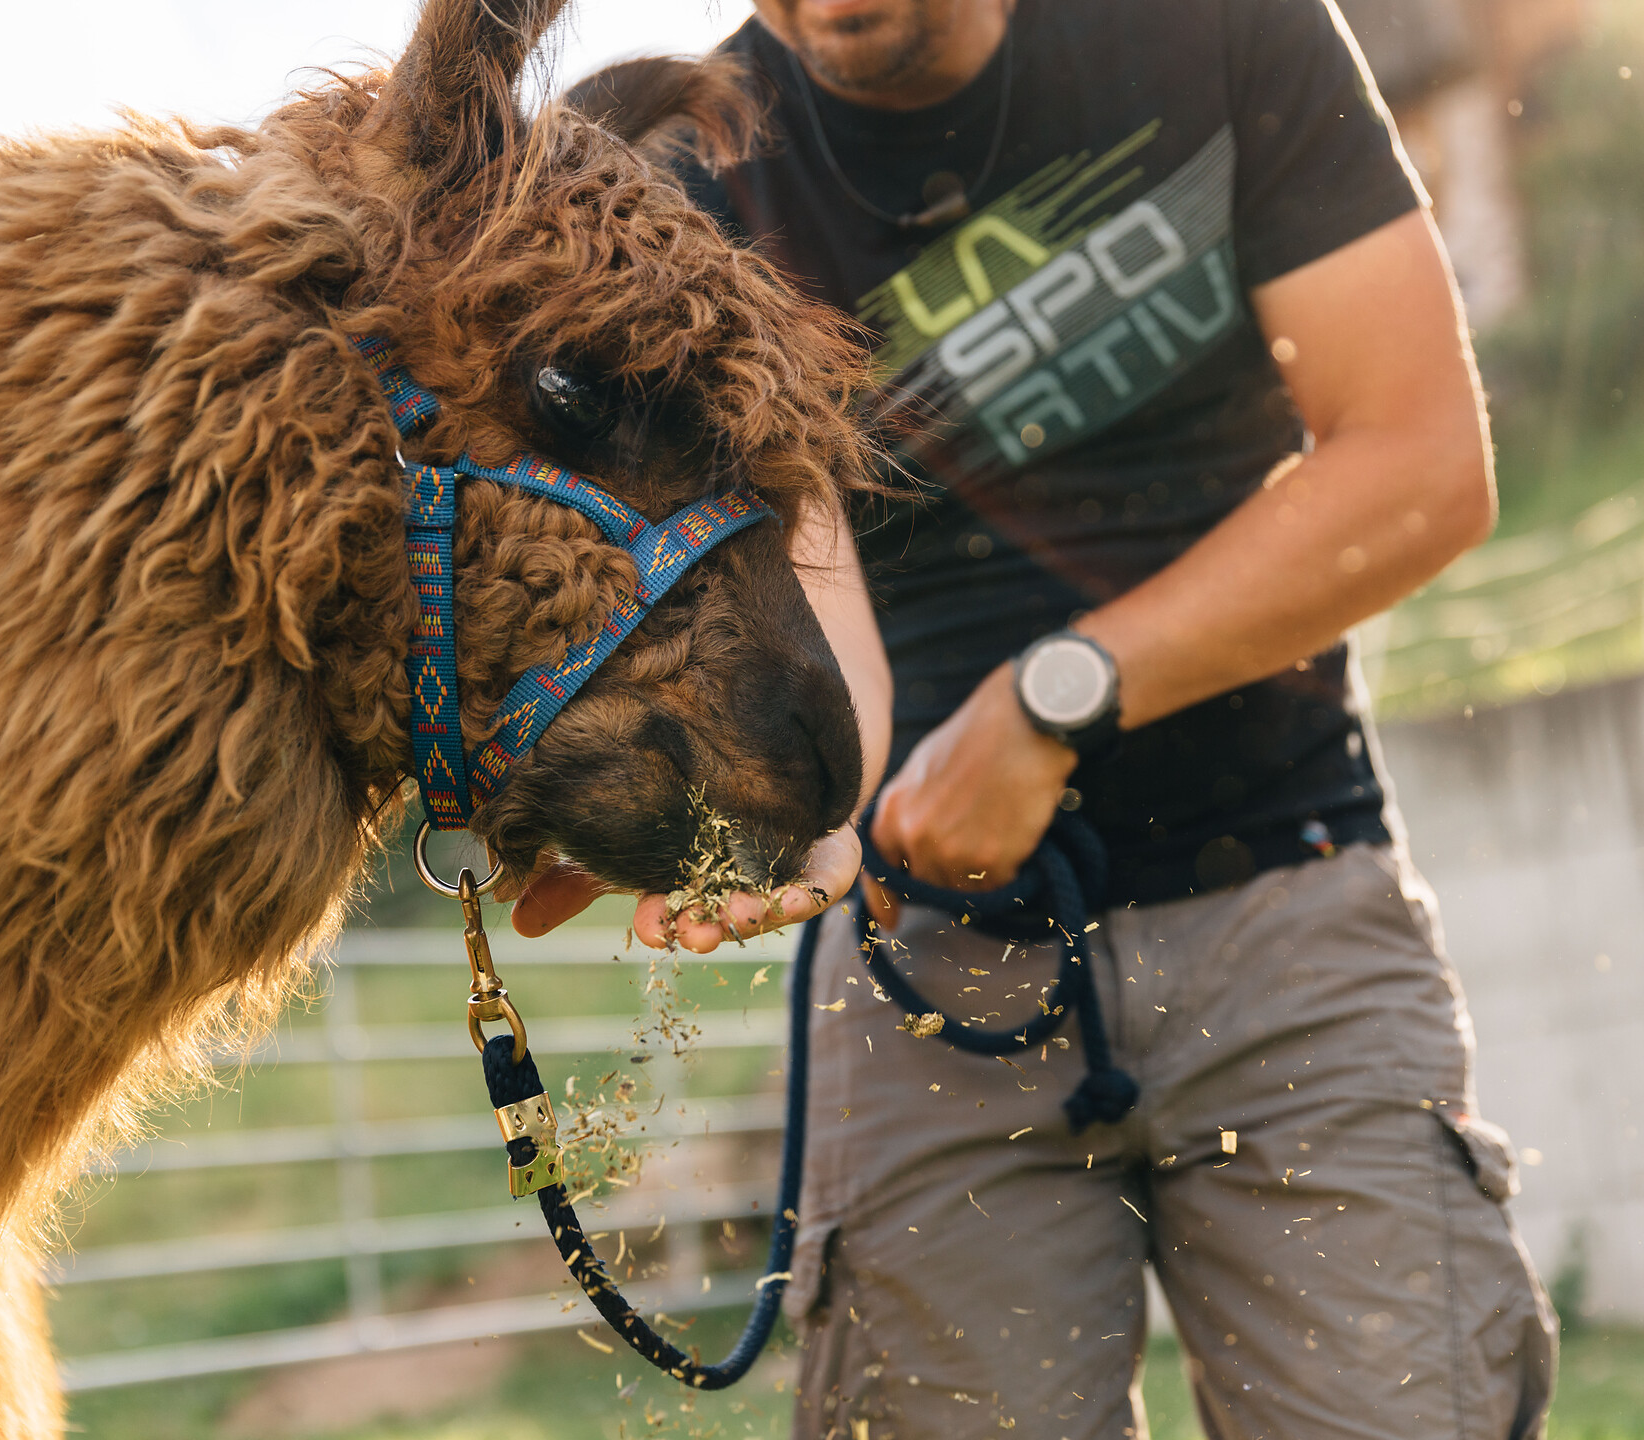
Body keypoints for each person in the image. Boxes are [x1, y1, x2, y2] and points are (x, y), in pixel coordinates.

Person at [518, 0, 1557, 1434]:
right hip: (919, 970)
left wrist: (1046, 704)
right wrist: (808, 815)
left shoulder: (1223, 31)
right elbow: (817, 602)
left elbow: (1421, 464)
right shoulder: (700, 173)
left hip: (1288, 914)